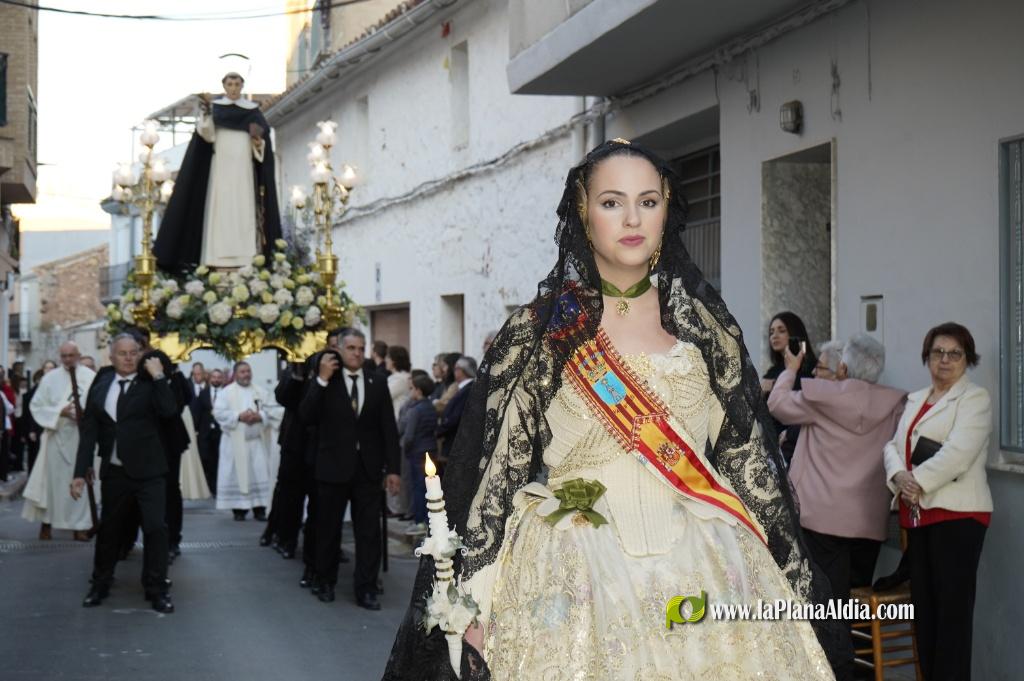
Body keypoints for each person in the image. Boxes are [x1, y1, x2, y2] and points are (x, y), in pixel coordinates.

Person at [383, 140, 839, 680]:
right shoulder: (543, 330)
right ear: (583, 212)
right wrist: (472, 597)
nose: (632, 219)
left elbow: (744, 457)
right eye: (611, 202)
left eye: (648, 202)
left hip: (708, 559)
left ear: (667, 211)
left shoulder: (706, 328)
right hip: (575, 567)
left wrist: (787, 572)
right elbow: (494, 477)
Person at [767, 334, 907, 680]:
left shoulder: (823, 398)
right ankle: (861, 668)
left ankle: (835, 670)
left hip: (822, 518)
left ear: (843, 367)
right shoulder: (894, 404)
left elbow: (777, 404)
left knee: (827, 602)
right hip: (868, 521)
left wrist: (790, 370)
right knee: (854, 597)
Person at [883, 322, 992, 681]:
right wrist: (899, 476)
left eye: (954, 353)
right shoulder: (915, 399)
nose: (945, 360)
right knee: (925, 614)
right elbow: (892, 447)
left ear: (967, 359)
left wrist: (915, 483)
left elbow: (960, 453)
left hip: (959, 518)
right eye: (937, 353)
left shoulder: (975, 399)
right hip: (918, 517)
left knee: (952, 619)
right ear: (927, 357)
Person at [71, 334, 178, 613]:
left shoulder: (149, 381)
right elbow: (90, 429)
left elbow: (169, 411)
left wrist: (159, 378)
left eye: (134, 352)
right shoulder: (103, 381)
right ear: (111, 356)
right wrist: (80, 471)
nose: (129, 358)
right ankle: (100, 583)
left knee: (155, 529)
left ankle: (156, 588)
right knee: (109, 531)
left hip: (150, 471)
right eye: (123, 353)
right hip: (115, 471)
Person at [300, 330, 401, 609]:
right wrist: (320, 380)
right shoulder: (326, 381)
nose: (357, 353)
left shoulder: (377, 382)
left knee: (368, 532)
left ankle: (366, 587)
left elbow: (388, 429)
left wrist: (393, 469)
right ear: (340, 350)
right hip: (332, 467)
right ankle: (325, 580)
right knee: (328, 528)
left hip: (367, 469)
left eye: (361, 348)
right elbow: (306, 415)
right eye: (351, 348)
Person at [153, 72, 282, 272]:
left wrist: (258, 141)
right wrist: (205, 114)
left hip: (242, 169)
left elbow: (261, 145)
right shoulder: (216, 109)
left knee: (243, 208)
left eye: (237, 83)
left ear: (242, 86)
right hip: (220, 168)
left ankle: (245, 255)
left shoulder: (252, 112)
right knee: (220, 210)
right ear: (224, 86)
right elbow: (207, 134)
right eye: (229, 84)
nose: (233, 88)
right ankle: (216, 258)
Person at [21, 342, 97, 541]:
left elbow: (99, 406)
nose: (68, 359)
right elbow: (36, 406)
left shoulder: (90, 378)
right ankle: (47, 524)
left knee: (81, 480)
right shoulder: (50, 379)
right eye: (64, 356)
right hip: (57, 437)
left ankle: (80, 526)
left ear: (79, 355)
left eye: (71, 355)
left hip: (82, 439)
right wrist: (59, 412)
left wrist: (85, 415)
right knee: (52, 484)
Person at [213, 361, 282, 521]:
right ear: (235, 374)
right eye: (243, 372)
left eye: (248, 371)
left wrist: (260, 416)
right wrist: (239, 416)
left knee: (259, 474)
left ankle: (260, 508)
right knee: (236, 475)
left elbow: (274, 410)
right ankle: (239, 509)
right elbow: (219, 413)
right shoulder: (226, 393)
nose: (246, 374)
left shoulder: (261, 391)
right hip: (234, 443)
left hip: (257, 442)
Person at [762, 311, 818, 465]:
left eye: (781, 330)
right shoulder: (772, 371)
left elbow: (812, 406)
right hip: (772, 448)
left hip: (797, 448)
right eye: (771, 332)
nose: (775, 335)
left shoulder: (812, 369)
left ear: (794, 334)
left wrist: (790, 433)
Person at [400, 373, 436, 536]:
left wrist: (406, 449)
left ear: (419, 390)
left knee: (419, 488)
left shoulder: (416, 410)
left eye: (412, 389)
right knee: (429, 486)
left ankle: (420, 521)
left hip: (417, 451)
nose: (410, 392)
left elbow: (409, 435)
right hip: (430, 448)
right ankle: (428, 520)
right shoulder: (430, 406)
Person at [435, 356, 476, 472]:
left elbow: (455, 417)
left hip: (456, 444)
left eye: (456, 368)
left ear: (462, 370)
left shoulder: (468, 389)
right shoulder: (462, 388)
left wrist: (438, 431)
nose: (454, 371)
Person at [385, 345, 411, 516]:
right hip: (392, 426)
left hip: (397, 426)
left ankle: (397, 507)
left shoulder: (401, 379)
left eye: (388, 358)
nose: (385, 361)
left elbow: (384, 395)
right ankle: (392, 505)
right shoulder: (394, 377)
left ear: (393, 360)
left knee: (396, 468)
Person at [195, 368, 225, 492]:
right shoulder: (203, 393)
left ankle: (218, 487)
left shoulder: (226, 393)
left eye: (219, 377)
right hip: (205, 433)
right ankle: (209, 486)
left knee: (220, 460)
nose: (216, 379)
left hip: (222, 432)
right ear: (210, 378)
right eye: (214, 377)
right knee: (206, 459)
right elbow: (198, 413)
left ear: (222, 379)